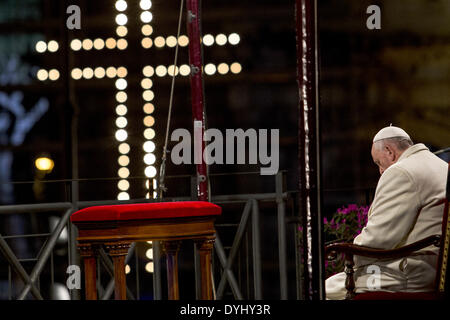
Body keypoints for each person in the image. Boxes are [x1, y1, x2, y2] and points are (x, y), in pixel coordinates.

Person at [325, 125, 448, 299]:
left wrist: (350, 255)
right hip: (433, 269)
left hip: (406, 274)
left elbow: (378, 239)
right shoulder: (441, 165)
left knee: (321, 289)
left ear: (389, 151)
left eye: (378, 162)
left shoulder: (401, 172)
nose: (381, 171)